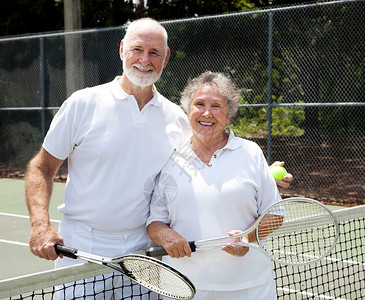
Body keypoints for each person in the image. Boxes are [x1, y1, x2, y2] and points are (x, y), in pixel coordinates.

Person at [25, 18, 292, 298]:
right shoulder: (82, 104)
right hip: (82, 249)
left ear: (165, 59)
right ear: (121, 50)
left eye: (154, 53)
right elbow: (41, 167)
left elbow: (209, 156)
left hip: (145, 255)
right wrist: (40, 226)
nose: (144, 59)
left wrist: (262, 172)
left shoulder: (177, 118)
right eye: (137, 49)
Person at [147, 71, 284, 299]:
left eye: (216, 106)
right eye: (199, 104)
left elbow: (276, 214)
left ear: (228, 115)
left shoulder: (251, 153)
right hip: (184, 288)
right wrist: (167, 237)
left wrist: (248, 237)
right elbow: (154, 223)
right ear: (188, 110)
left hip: (250, 288)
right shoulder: (169, 159)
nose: (207, 113)